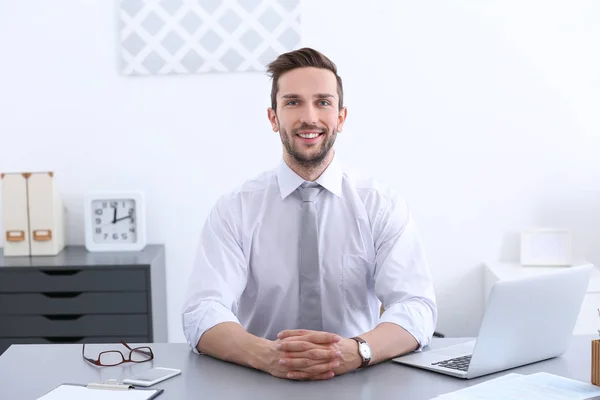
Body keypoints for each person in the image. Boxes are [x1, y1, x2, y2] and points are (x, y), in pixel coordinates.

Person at [181, 47, 437, 381]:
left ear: (341, 118)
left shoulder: (380, 204)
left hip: (361, 378)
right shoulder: (236, 208)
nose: (310, 117)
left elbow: (417, 306)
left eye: (323, 102)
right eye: (292, 102)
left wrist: (356, 350)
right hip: (261, 379)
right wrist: (268, 355)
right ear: (273, 118)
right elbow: (201, 310)